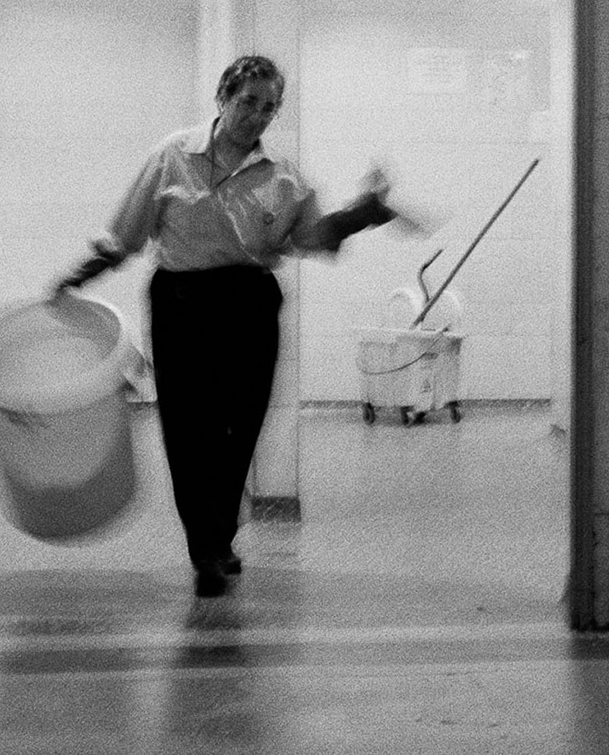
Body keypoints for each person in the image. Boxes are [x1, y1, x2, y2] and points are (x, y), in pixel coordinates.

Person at [53, 54, 393, 597]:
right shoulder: (173, 156)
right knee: (189, 430)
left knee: (242, 425)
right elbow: (127, 232)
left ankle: (220, 535)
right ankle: (205, 548)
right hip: (181, 303)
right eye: (247, 102)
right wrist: (78, 276)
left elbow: (308, 238)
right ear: (223, 98)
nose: (256, 115)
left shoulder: (283, 176)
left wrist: (362, 213)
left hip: (250, 303)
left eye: (269, 107)